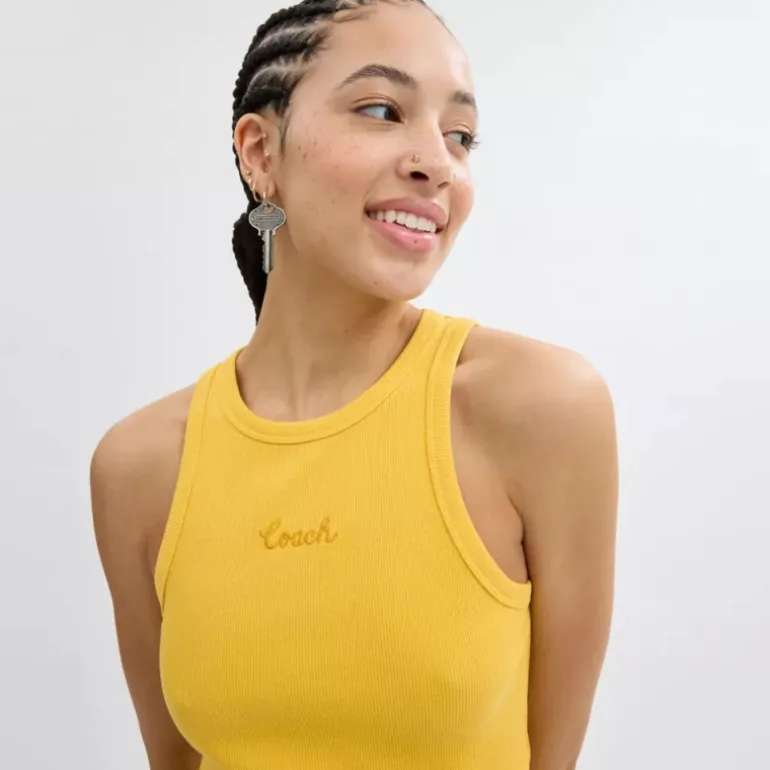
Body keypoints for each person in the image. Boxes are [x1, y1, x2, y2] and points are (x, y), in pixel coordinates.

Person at [90, 1, 619, 768]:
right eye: (381, 110)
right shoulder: (140, 466)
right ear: (260, 152)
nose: (437, 162)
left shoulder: (539, 409)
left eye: (460, 135)